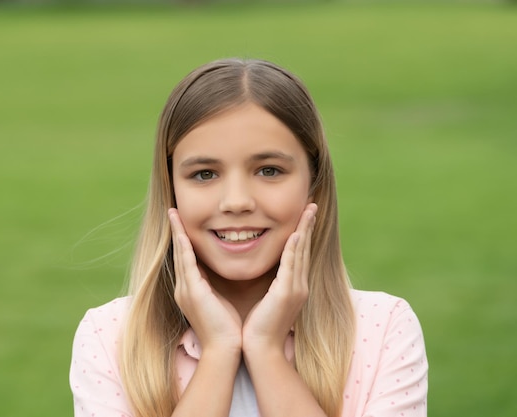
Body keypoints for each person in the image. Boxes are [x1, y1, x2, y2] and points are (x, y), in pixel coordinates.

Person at [70, 58, 428, 417]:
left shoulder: (383, 329)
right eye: (205, 174)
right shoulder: (111, 337)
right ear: (171, 189)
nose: (237, 201)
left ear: (314, 184)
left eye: (269, 170)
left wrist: (266, 349)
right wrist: (218, 350)